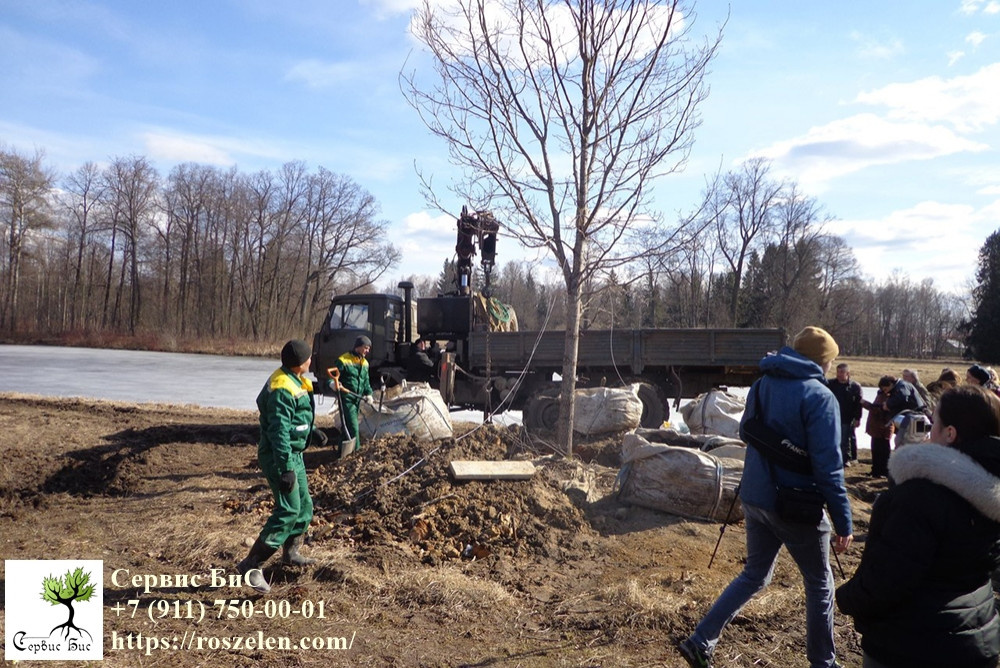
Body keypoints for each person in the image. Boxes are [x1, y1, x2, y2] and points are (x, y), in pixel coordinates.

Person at [679, 326, 853, 668]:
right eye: (831, 360)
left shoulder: (763, 382)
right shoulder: (820, 397)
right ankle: (824, 663)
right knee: (820, 582)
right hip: (796, 505)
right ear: (822, 360)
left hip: (755, 498)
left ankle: (701, 641)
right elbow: (829, 468)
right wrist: (843, 519)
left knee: (755, 574)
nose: (832, 366)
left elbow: (745, 431)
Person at [836, 385, 1000, 668]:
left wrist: (847, 597)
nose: (927, 431)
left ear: (950, 434)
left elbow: (887, 579)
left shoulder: (921, 496)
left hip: (911, 644)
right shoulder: (992, 488)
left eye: (933, 423)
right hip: (978, 636)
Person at [236, 339, 321, 594]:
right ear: (299, 362)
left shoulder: (295, 379)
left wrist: (311, 432)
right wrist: (285, 468)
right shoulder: (282, 387)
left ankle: (291, 552)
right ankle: (252, 565)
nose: (311, 360)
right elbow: (279, 431)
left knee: (304, 506)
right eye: (308, 357)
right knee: (289, 509)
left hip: (294, 454)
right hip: (279, 455)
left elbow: (298, 417)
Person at [334, 335, 374, 453]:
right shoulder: (343, 360)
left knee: (347, 425)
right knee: (353, 427)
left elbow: (366, 381)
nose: (368, 351)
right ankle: (356, 453)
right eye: (366, 348)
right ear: (358, 347)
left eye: (368, 348)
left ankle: (342, 452)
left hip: (357, 399)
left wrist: (369, 394)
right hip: (346, 398)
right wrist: (333, 384)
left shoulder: (365, 363)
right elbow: (332, 376)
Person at [828, 363, 863, 466]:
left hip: (847, 417)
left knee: (846, 439)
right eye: (838, 372)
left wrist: (858, 418)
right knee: (833, 438)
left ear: (848, 373)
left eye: (842, 372)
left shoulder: (855, 386)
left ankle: (845, 459)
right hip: (833, 416)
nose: (839, 374)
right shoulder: (830, 384)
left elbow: (858, 404)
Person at [861, 376, 896, 478]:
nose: (883, 390)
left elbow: (881, 410)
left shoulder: (891, 397)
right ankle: (876, 471)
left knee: (884, 451)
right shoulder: (881, 394)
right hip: (876, 427)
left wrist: (865, 404)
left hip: (884, 428)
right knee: (876, 450)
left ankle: (884, 471)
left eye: (884, 388)